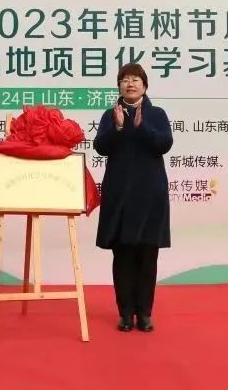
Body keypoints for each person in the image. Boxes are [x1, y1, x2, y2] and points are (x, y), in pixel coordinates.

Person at [93, 63, 173, 332]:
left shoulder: (157, 114)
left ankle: (145, 313)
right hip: (120, 196)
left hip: (150, 195)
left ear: (145, 85)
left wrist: (142, 128)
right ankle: (126, 313)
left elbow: (165, 143)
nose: (130, 84)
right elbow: (100, 147)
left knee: (148, 256)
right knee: (123, 256)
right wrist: (117, 129)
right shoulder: (110, 115)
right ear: (119, 86)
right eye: (125, 80)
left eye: (135, 79)